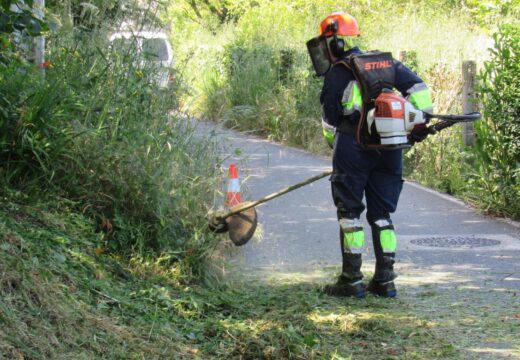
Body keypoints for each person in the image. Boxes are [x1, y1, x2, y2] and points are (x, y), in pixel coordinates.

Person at [314, 12, 433, 298]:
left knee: (350, 213)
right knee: (382, 214)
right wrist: (417, 124)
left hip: (352, 148)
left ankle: (351, 279)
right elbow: (420, 93)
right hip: (391, 148)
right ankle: (385, 280)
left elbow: (330, 123)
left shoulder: (339, 71)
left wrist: (338, 150)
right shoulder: (386, 63)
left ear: (333, 42)